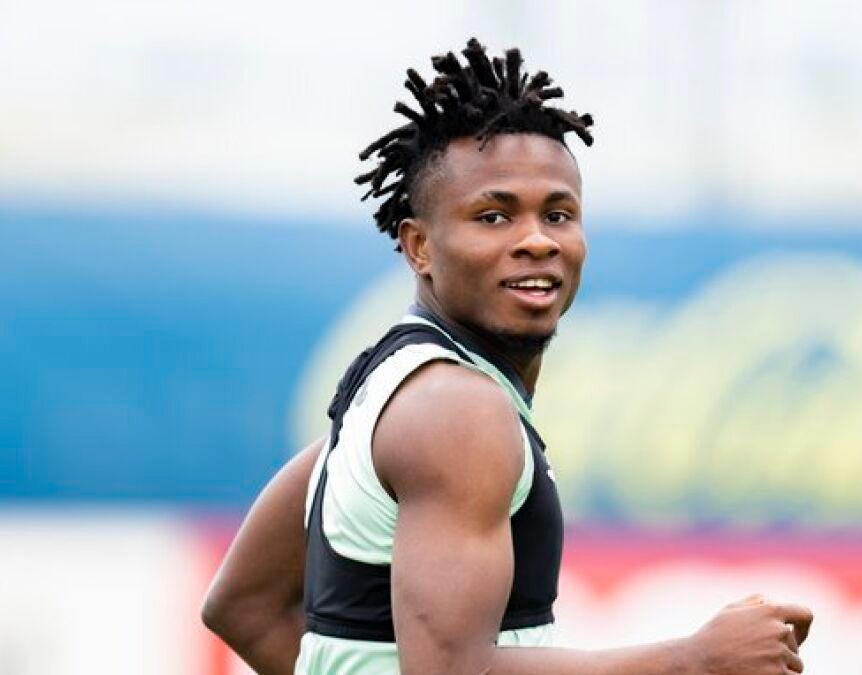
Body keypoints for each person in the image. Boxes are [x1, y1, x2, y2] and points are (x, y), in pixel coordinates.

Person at [202, 38, 812, 675]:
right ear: (419, 247)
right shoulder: (457, 411)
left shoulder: (394, 390)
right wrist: (693, 659)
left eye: (559, 214)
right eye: (493, 217)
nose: (537, 240)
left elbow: (244, 606)